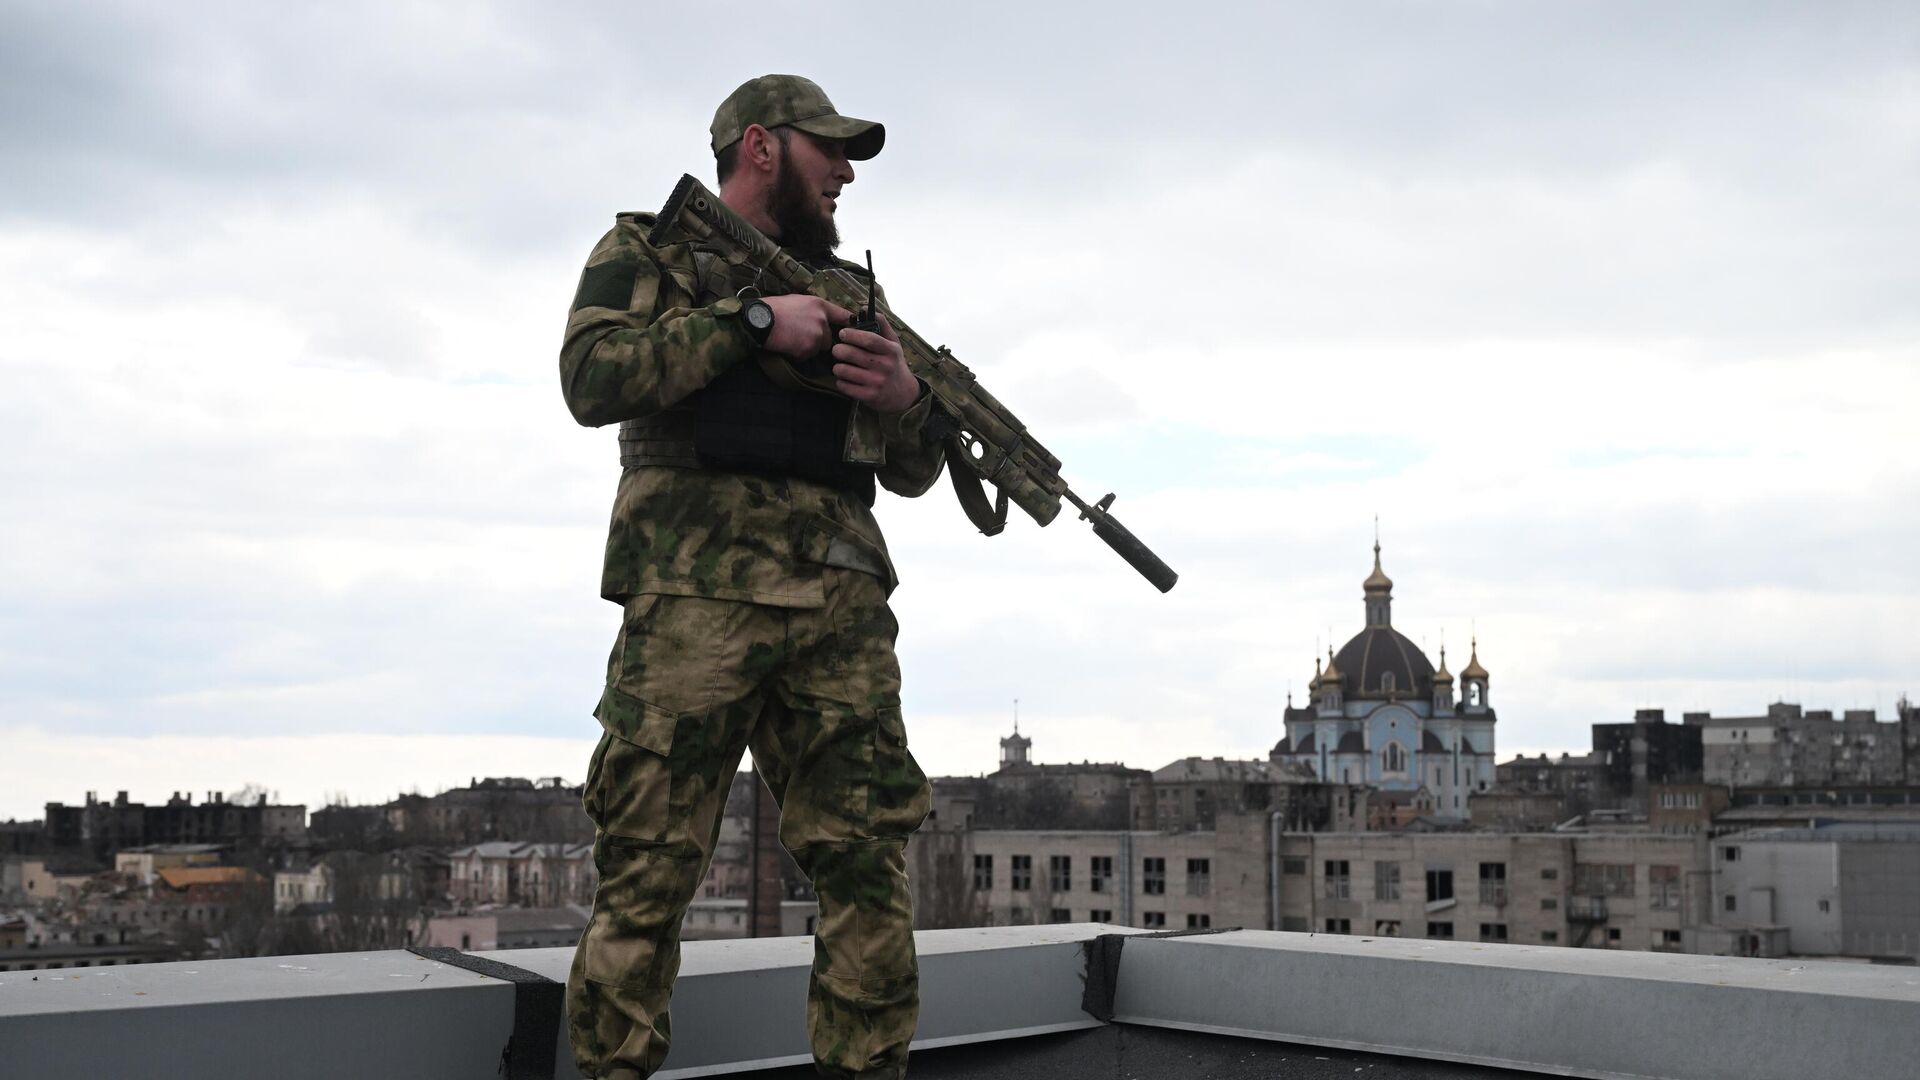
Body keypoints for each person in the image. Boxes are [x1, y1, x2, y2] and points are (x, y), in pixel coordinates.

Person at [557, 74, 941, 1080]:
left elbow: (910, 468)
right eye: (831, 149)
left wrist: (905, 399)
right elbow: (592, 378)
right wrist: (754, 326)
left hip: (840, 610)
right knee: (648, 870)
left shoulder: (857, 295)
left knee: (867, 865)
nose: (847, 170)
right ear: (762, 147)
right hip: (695, 599)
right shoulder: (649, 250)